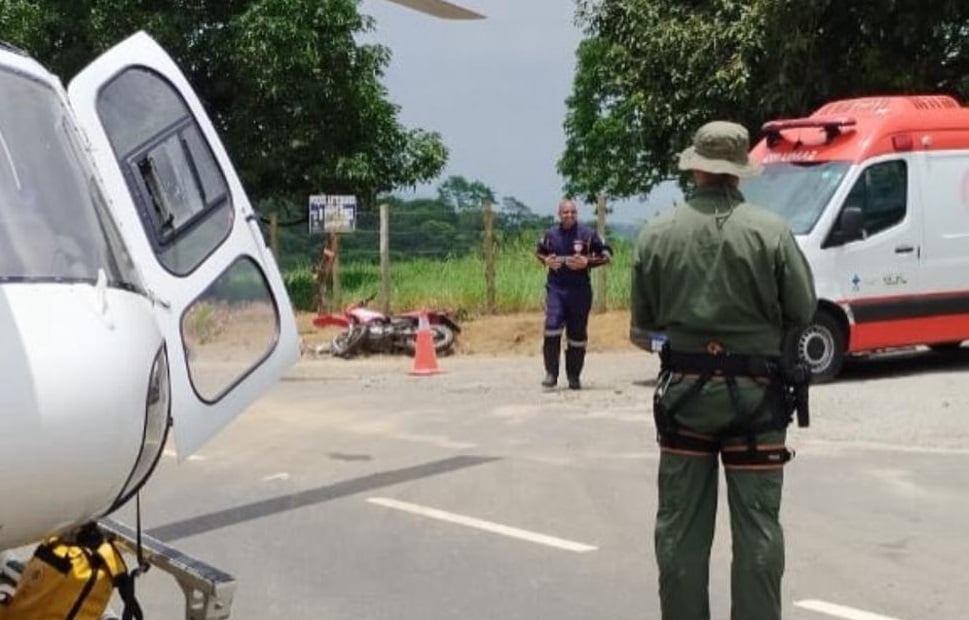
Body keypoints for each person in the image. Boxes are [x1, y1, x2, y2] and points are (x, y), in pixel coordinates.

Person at [629, 121, 817, 620]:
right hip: (757, 399)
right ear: (738, 174)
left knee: (679, 530)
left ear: (695, 167)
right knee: (757, 528)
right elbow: (802, 309)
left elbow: (644, 326)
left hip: (685, 398)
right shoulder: (770, 231)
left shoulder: (656, 233)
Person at [535, 199, 611, 390]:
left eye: (573, 212)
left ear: (577, 214)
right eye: (565, 213)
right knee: (551, 327)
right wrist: (547, 261)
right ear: (559, 214)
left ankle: (574, 376)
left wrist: (587, 262)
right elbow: (539, 252)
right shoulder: (550, 235)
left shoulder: (587, 234)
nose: (569, 215)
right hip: (556, 290)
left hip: (579, 292)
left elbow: (607, 254)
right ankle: (551, 374)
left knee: (577, 335)